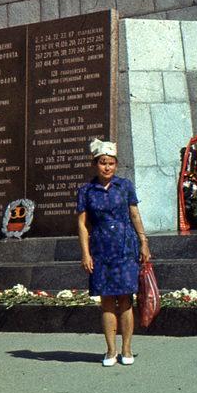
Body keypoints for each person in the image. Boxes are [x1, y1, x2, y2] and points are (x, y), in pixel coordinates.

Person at [76, 138, 152, 367]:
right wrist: (85, 253)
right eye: (102, 163)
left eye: (111, 163)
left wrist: (144, 241)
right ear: (95, 164)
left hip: (125, 247)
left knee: (126, 300)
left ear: (116, 164)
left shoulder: (125, 186)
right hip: (100, 249)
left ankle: (127, 348)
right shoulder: (86, 191)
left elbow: (134, 214)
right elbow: (82, 225)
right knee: (107, 301)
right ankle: (111, 350)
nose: (107, 167)